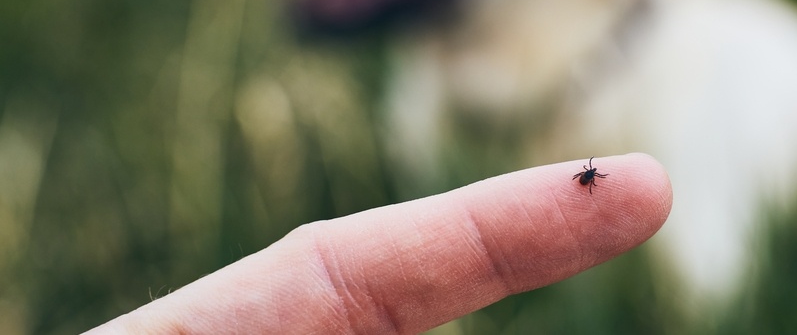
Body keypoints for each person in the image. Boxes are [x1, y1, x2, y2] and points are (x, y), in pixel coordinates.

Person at [86, 154, 671, 334]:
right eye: (589, 175)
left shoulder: (585, 178)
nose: (588, 177)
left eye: (588, 176)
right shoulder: (588, 180)